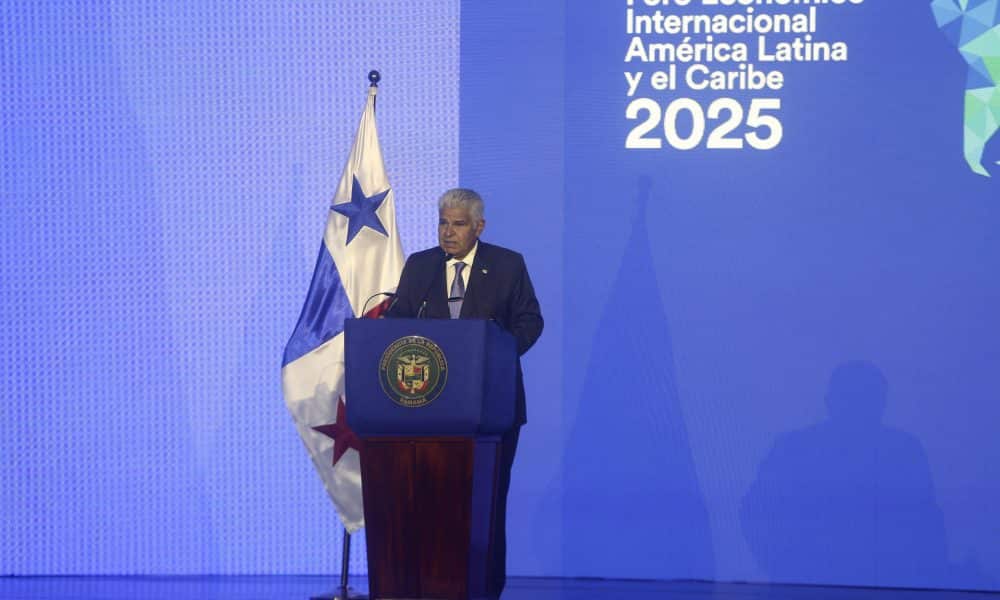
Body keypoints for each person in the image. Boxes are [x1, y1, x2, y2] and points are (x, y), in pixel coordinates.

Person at [387, 187, 543, 597]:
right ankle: (432, 586)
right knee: (430, 505)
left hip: (492, 408)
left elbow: (530, 322)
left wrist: (496, 354)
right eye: (443, 222)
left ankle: (484, 589)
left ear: (479, 227)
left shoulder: (507, 265)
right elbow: (398, 322)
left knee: (486, 504)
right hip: (426, 409)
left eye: (458, 224)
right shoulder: (420, 267)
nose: (448, 232)